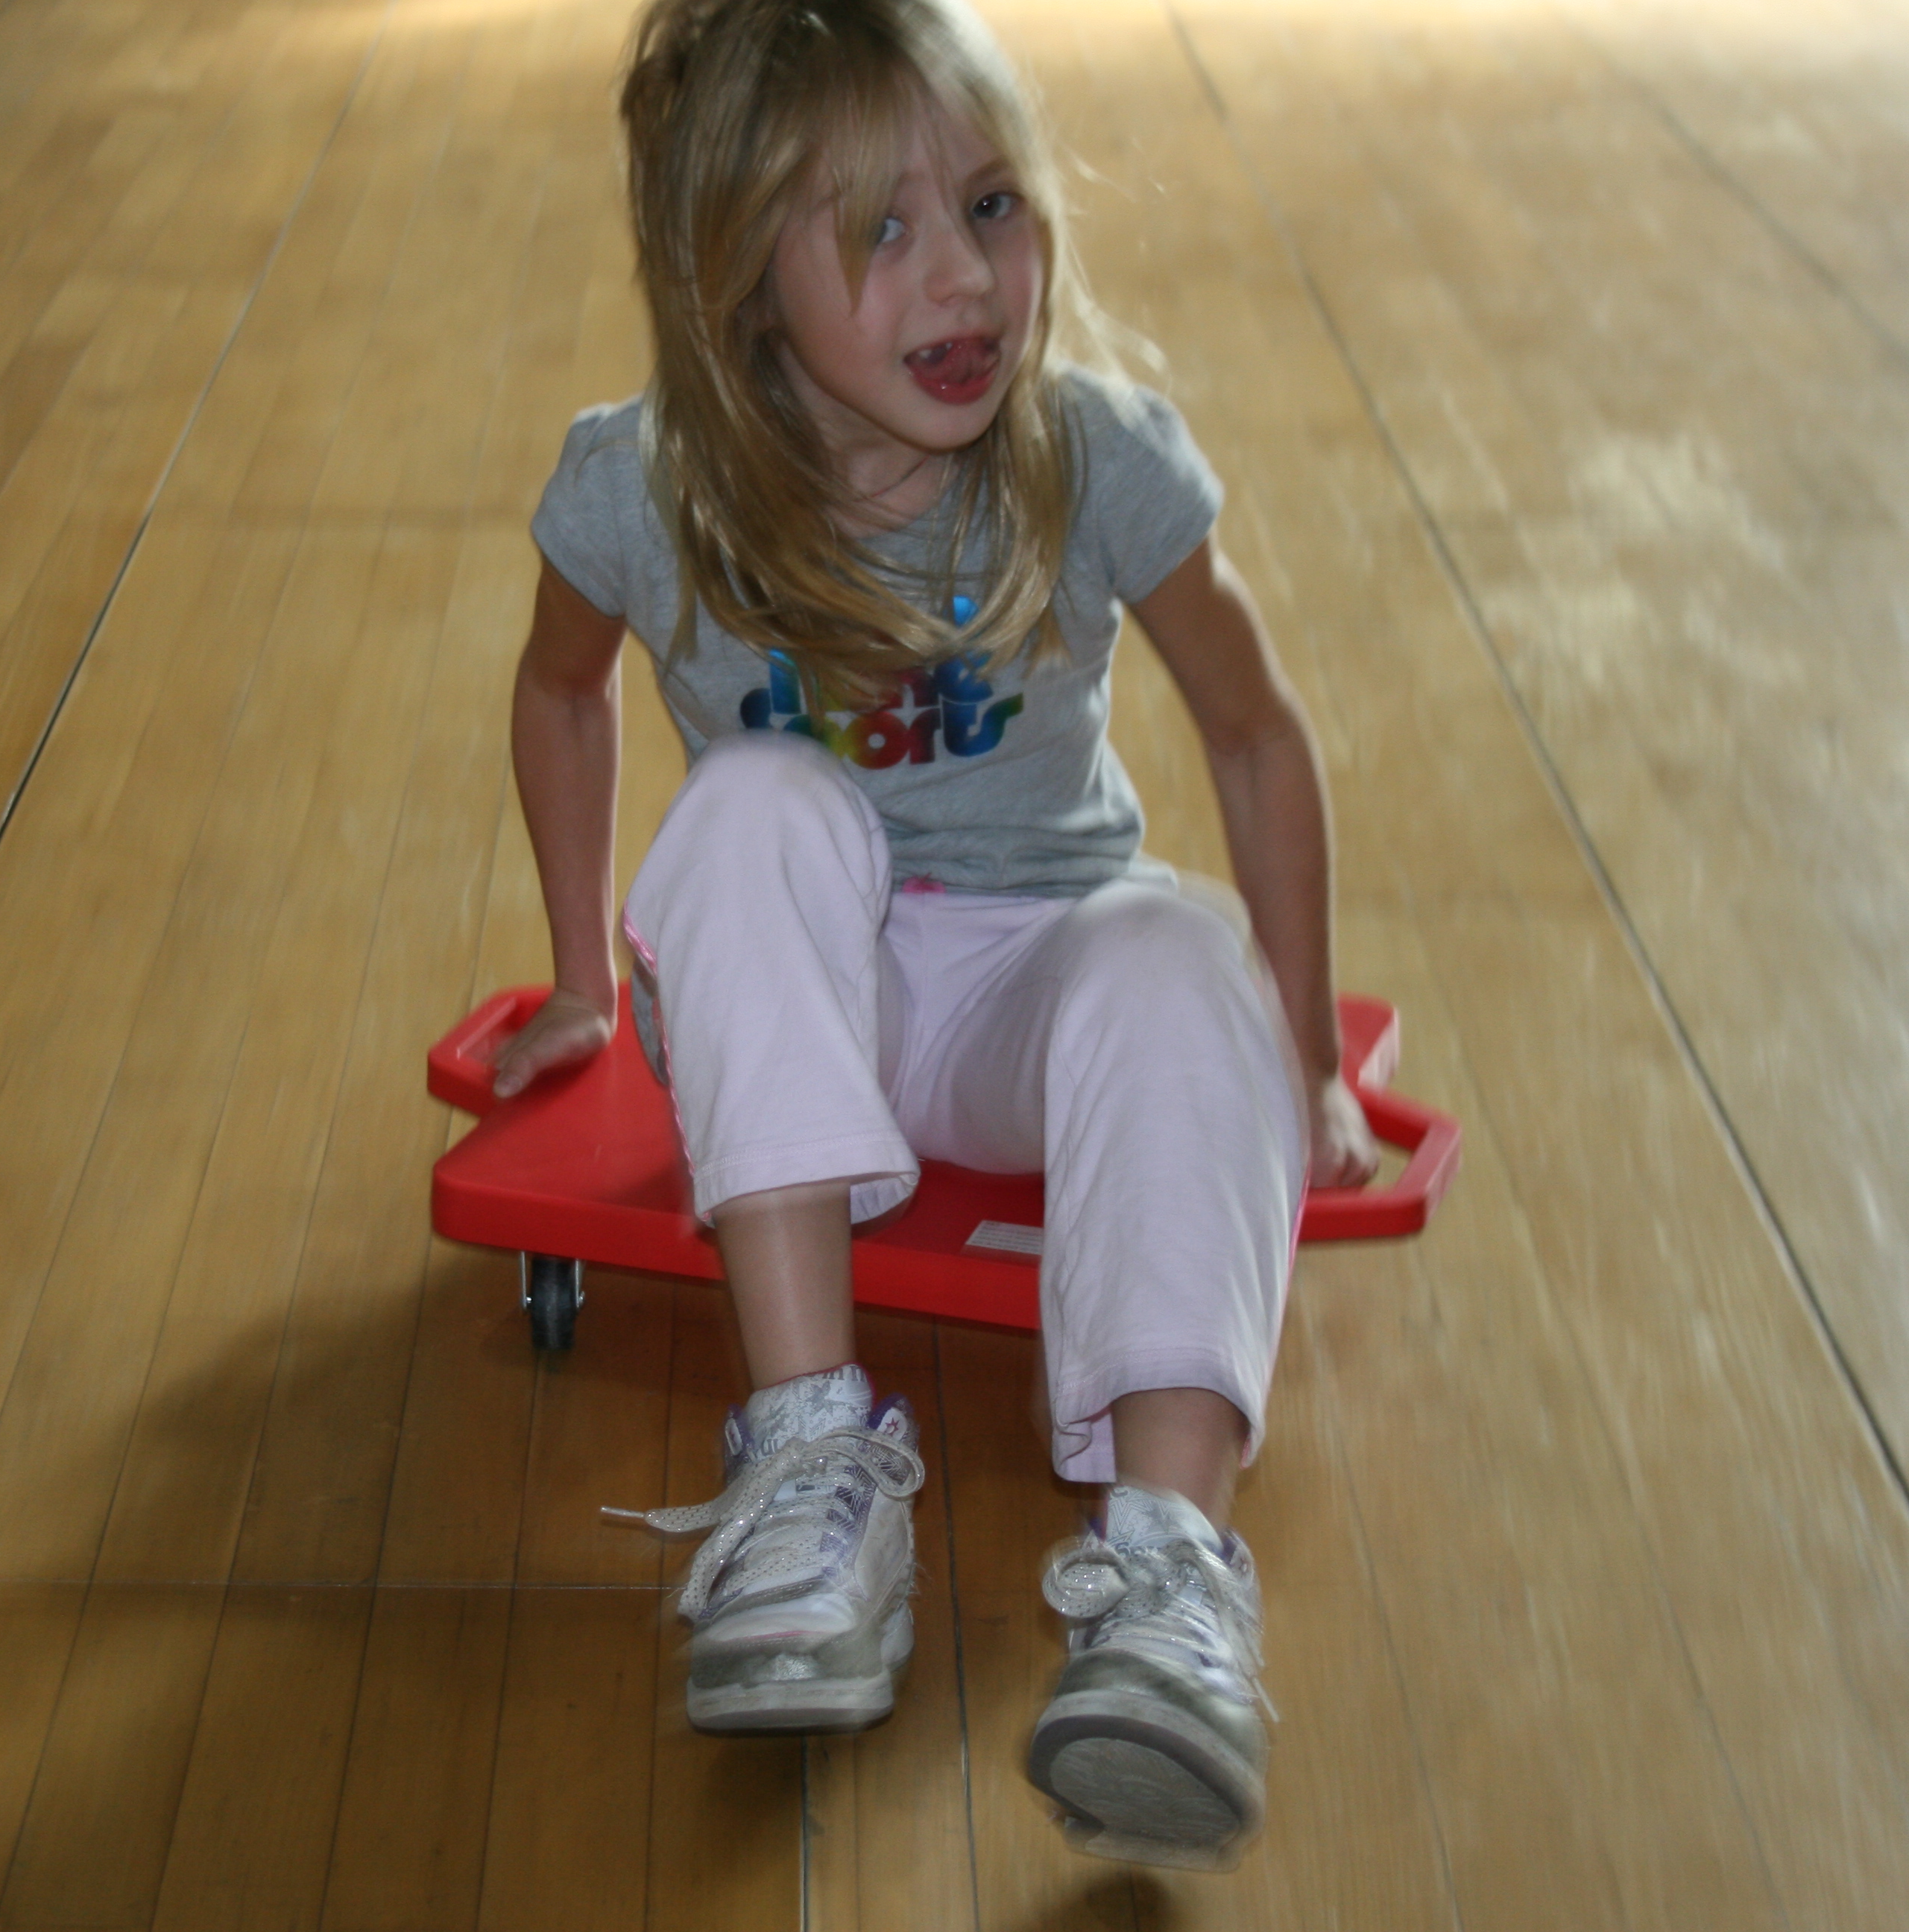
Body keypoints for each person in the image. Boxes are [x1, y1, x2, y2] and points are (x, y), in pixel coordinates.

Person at [490, 0, 1376, 1873]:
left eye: (989, 204)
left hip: (1031, 993)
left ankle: (1168, 1586)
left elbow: (1253, 733)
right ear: (741, 279)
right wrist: (580, 977)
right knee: (753, 802)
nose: (963, 276)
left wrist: (1302, 1058)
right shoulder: (644, 486)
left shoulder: (1093, 458)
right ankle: (812, 1459)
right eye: (880, 232)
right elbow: (561, 691)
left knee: (1181, 951)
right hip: (798, 999)